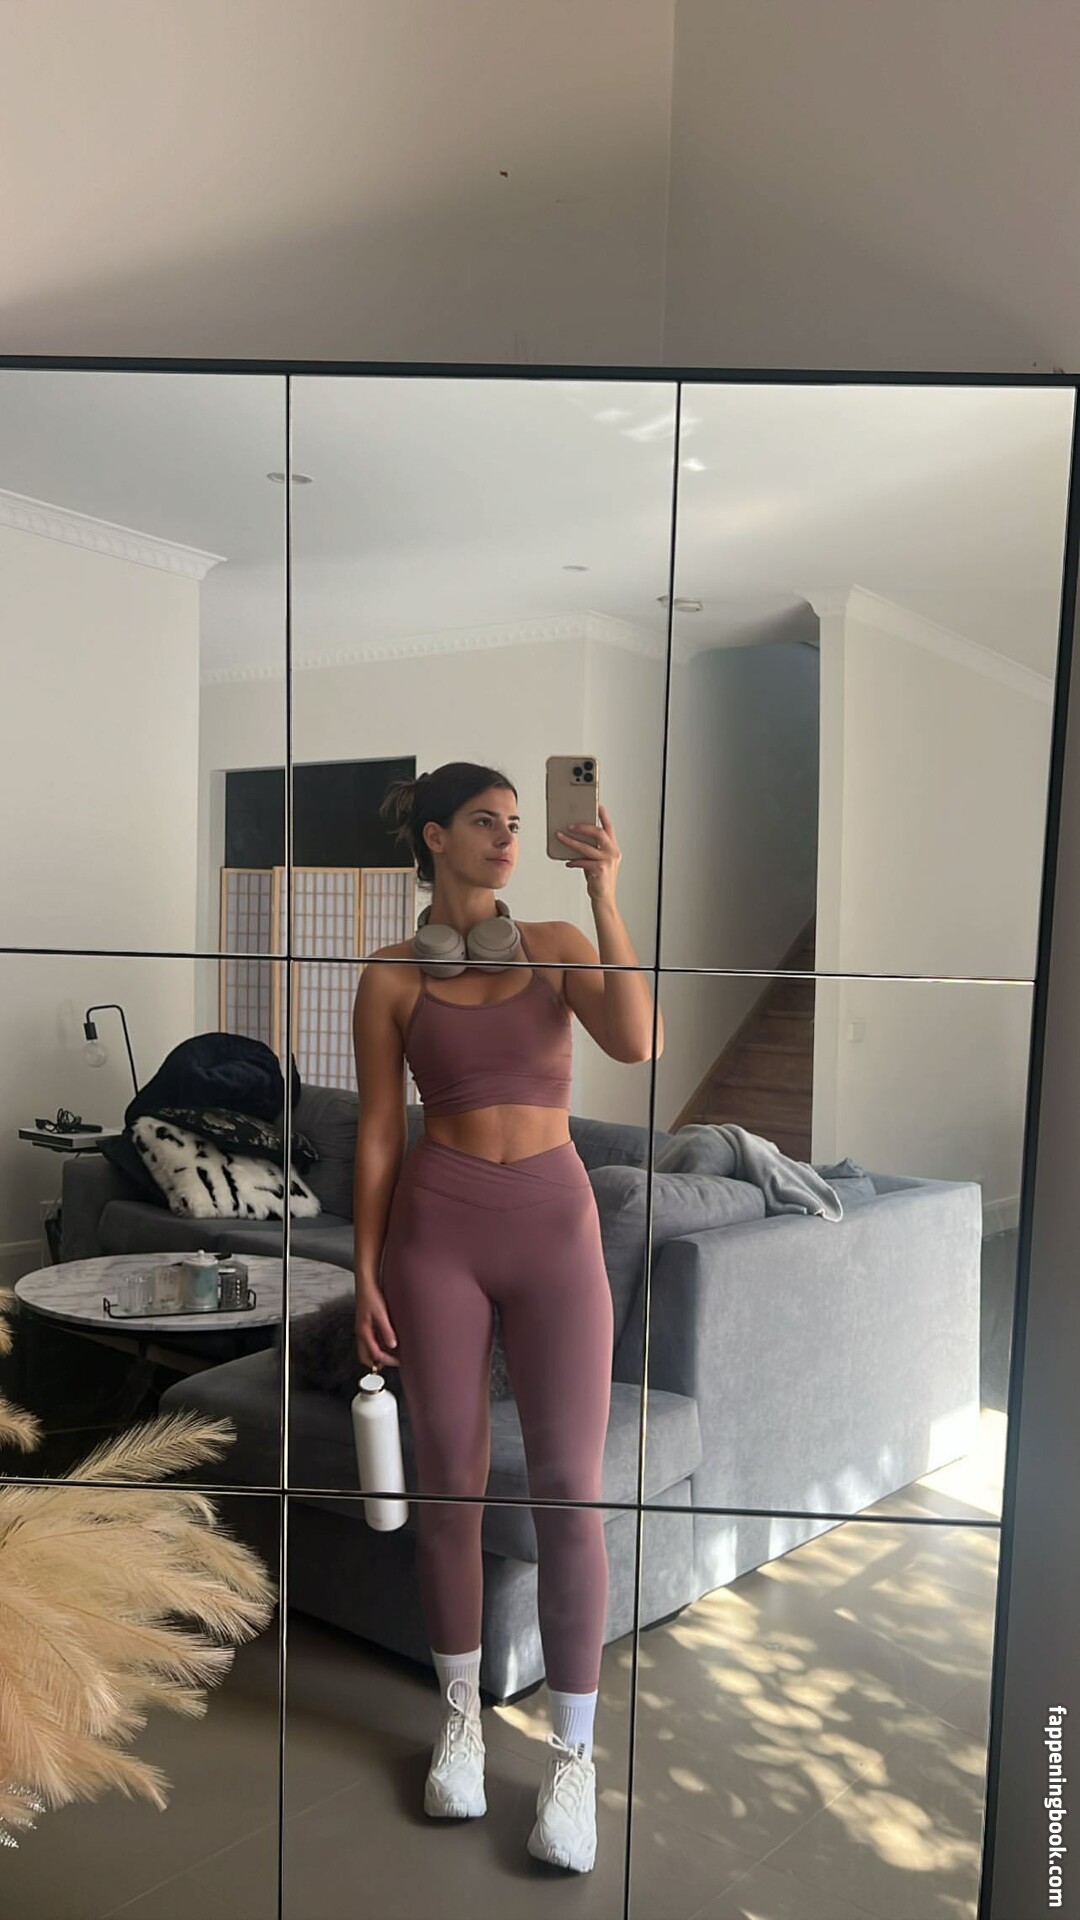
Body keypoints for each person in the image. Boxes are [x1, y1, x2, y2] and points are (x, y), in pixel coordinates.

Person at [351, 761, 662, 1874]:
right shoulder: (392, 974)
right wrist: (367, 1269)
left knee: (571, 1491)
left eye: (518, 824)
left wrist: (605, 892)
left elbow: (638, 1040)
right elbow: (378, 1132)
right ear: (434, 836)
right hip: (437, 1231)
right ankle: (461, 1721)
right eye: (485, 822)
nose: (508, 839)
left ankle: (572, 1759)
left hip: (553, 1229)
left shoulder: (559, 943)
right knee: (450, 1484)